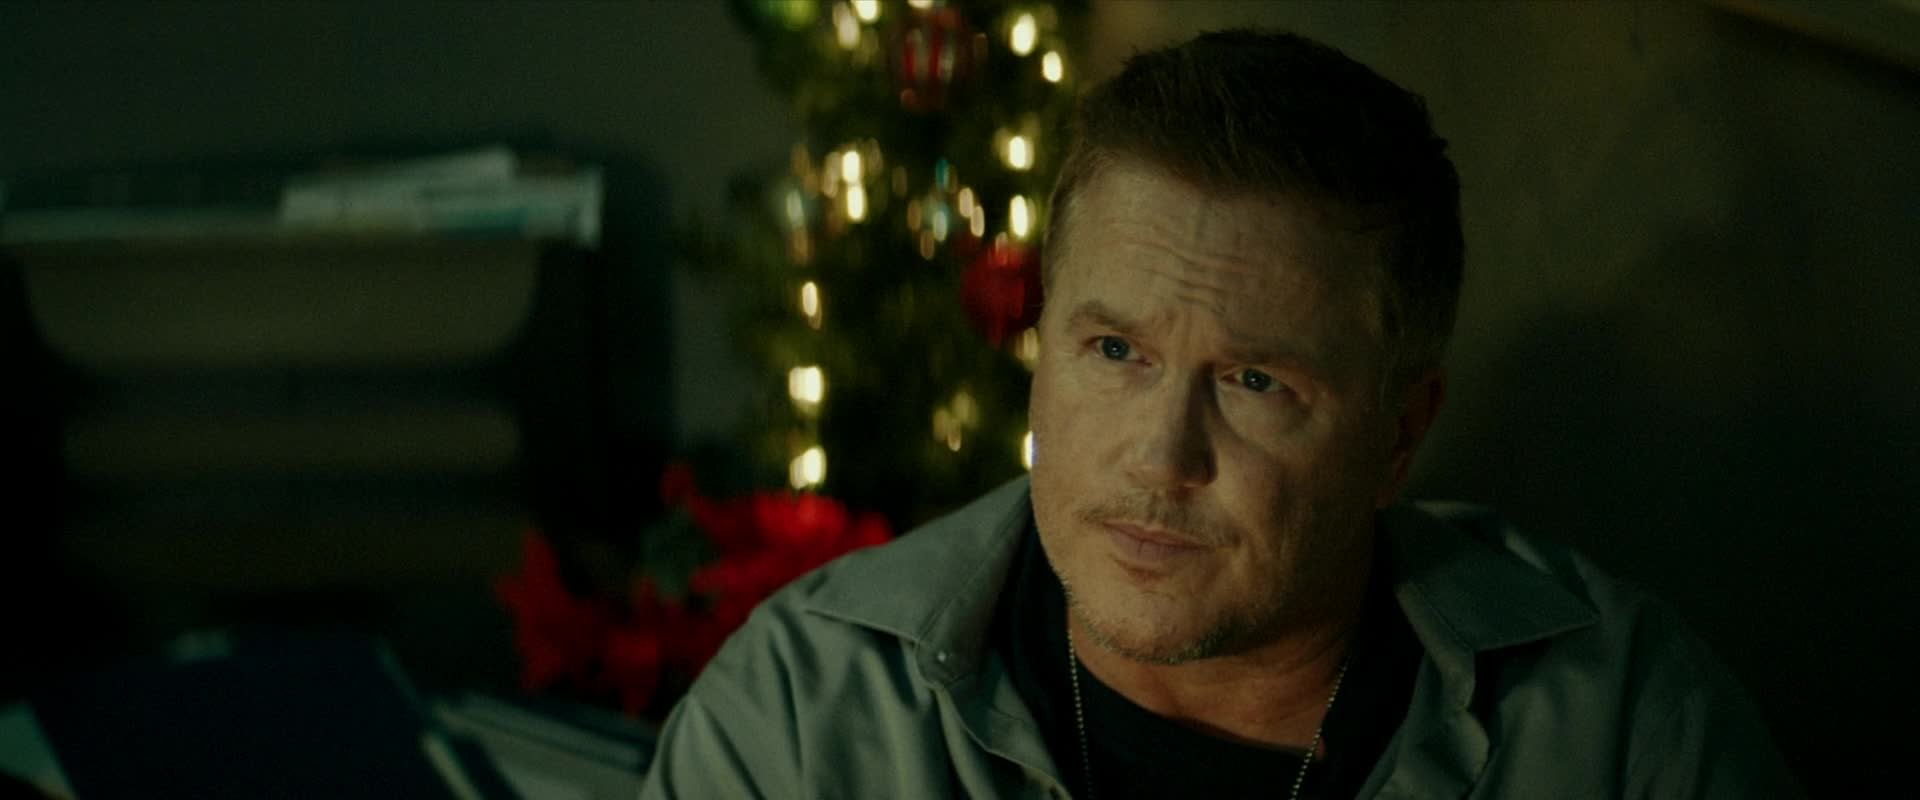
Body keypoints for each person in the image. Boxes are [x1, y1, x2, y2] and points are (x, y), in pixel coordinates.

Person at [640, 29, 1799, 799]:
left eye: (1256, 382)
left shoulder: (1626, 736)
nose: (1161, 456)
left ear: (1399, 434)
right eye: (1115, 350)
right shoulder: (802, 716)